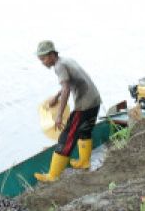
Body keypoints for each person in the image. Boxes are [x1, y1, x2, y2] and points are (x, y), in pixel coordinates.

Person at [34, 40, 102, 182]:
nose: (43, 62)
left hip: (84, 104)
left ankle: (53, 175)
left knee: (67, 137)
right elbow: (69, 84)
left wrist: (59, 114)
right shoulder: (66, 60)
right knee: (84, 130)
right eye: (40, 60)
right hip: (94, 99)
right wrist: (57, 96)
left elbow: (66, 89)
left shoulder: (59, 66)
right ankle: (84, 162)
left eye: (44, 58)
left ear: (52, 54)